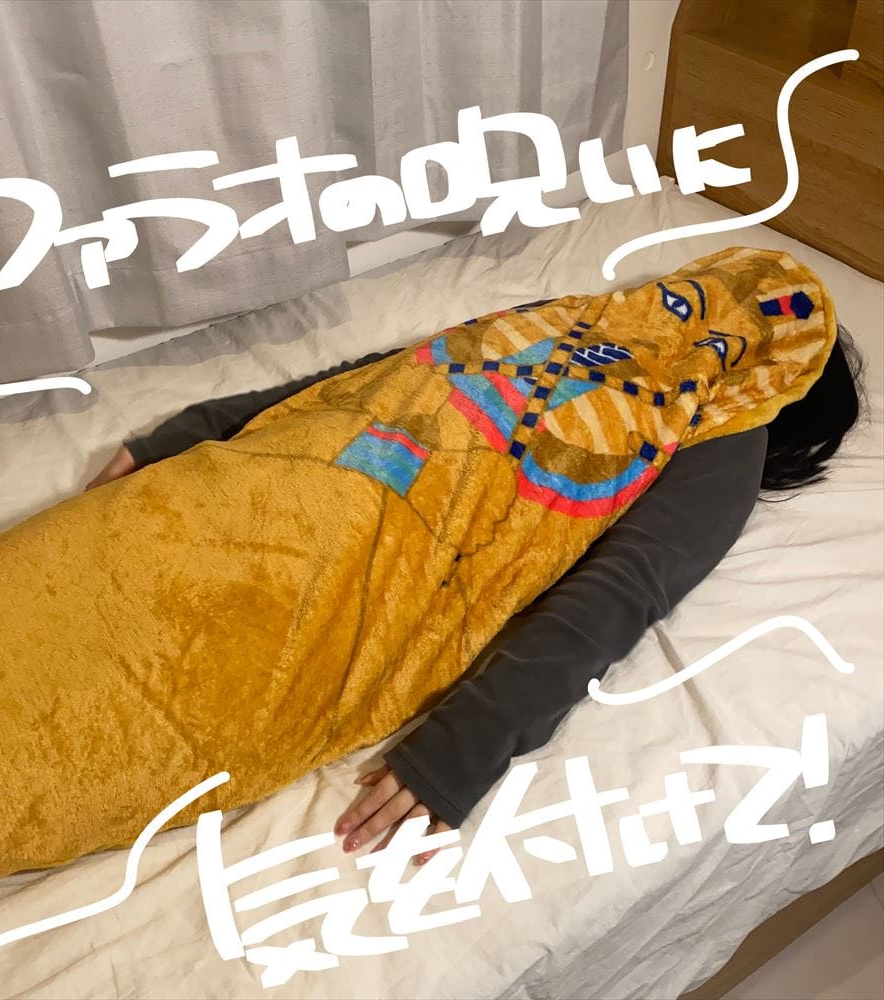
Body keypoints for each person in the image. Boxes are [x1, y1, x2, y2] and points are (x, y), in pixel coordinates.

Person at [87, 321, 863, 866]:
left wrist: (457, 754)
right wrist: (207, 428)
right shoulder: (615, 329)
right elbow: (404, 372)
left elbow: (621, 591)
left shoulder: (726, 428)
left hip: (337, 534)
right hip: (303, 491)